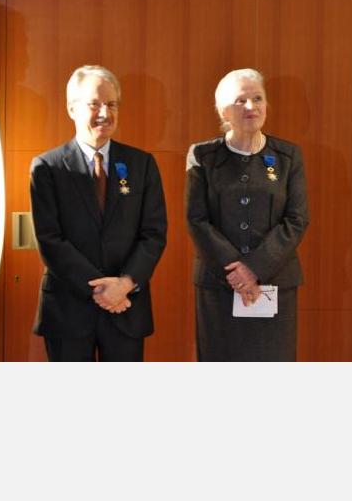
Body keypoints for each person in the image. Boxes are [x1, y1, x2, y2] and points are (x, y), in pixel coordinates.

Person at [29, 65, 167, 361]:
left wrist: (124, 285)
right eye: (95, 104)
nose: (105, 113)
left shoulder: (141, 164)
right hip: (68, 309)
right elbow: (49, 239)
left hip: (126, 307)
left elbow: (154, 234)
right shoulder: (47, 167)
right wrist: (101, 289)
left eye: (112, 104)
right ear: (72, 108)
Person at [185, 68, 309, 361]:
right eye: (240, 101)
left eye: (258, 98)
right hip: (219, 285)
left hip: (275, 283)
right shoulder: (202, 156)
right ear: (223, 111)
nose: (251, 106)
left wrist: (254, 268)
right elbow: (197, 219)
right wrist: (236, 272)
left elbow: (297, 218)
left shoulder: (288, 156)